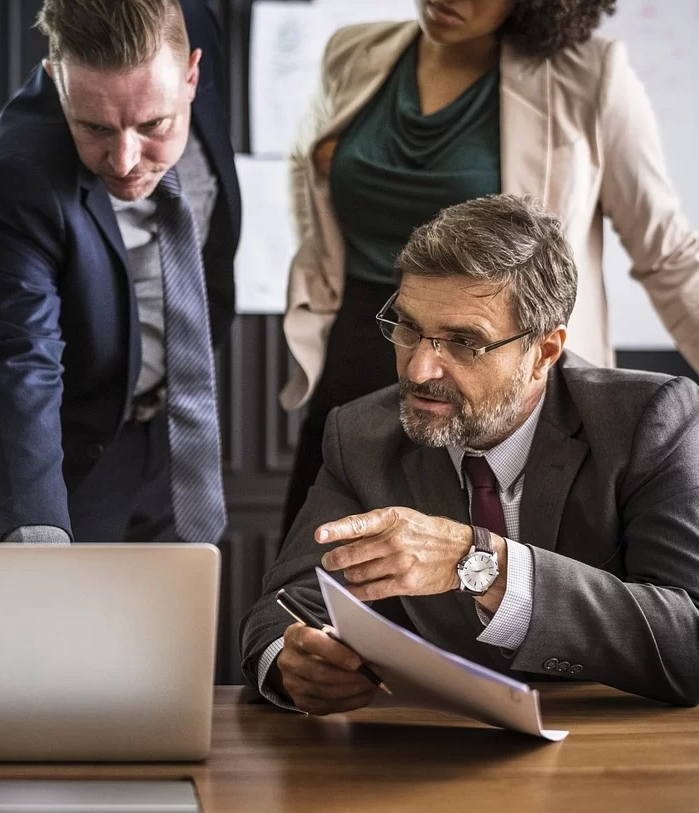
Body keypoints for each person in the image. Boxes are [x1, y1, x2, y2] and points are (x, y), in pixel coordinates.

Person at [241, 194, 699, 713]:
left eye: (464, 343)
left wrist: (477, 561)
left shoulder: (646, 420)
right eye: (409, 329)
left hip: (616, 751)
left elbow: (688, 640)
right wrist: (291, 662)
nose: (418, 372)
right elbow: (285, 605)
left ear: (543, 353)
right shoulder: (361, 433)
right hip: (434, 752)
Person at [278, 0, 699, 541]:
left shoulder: (589, 74)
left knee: (495, 581)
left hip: (499, 368)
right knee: (325, 569)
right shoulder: (352, 52)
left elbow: (667, 253)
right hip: (366, 345)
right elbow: (308, 181)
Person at [0, 0, 241, 544]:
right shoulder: (17, 177)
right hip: (68, 453)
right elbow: (16, 357)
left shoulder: (194, 24)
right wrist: (34, 527)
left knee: (178, 624)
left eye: (154, 124)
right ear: (55, 80)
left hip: (180, 430)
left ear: (192, 75)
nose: (124, 160)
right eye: (94, 127)